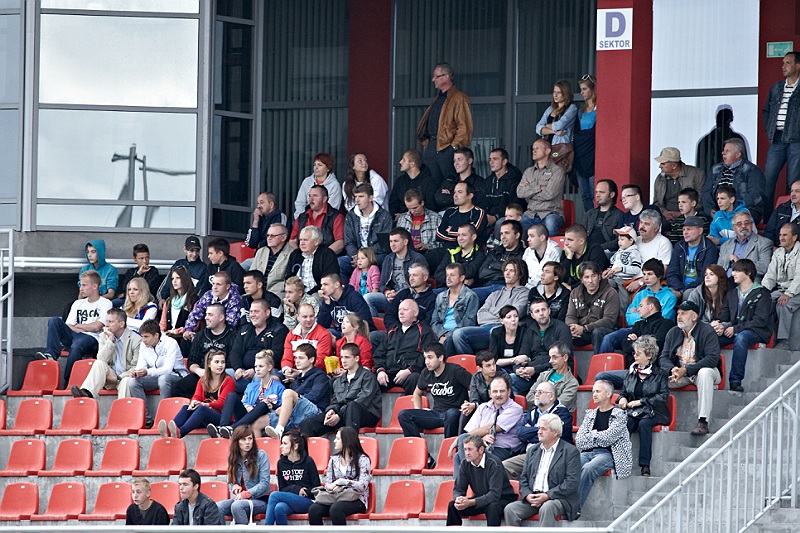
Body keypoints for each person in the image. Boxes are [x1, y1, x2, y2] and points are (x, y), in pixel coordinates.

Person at [503, 413, 581, 527]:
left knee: (547, 507)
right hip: (534, 497)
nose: (539, 432)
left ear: (555, 432)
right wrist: (527, 495)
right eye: (539, 428)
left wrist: (548, 495)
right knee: (510, 509)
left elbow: (571, 482)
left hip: (558, 499)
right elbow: (524, 478)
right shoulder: (532, 451)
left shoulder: (570, 452)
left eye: (543, 429)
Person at [37, 270, 112, 387]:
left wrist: (79, 326)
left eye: (84, 285)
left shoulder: (105, 303)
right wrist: (86, 327)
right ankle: (51, 354)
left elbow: (97, 327)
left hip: (92, 339)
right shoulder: (78, 303)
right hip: (75, 335)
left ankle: (69, 382)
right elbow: (69, 325)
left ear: (95, 286)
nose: (81, 289)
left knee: (77, 345)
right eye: (80, 285)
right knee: (54, 321)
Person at [659, 301, 722, 436]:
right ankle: (655, 415)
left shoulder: (707, 331)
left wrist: (687, 370)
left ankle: (703, 421)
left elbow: (712, 359)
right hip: (681, 373)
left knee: (705, 373)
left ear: (694, 316)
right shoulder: (673, 332)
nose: (679, 316)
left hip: (704, 371)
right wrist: (672, 369)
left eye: (683, 313)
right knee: (656, 377)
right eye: (678, 313)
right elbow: (663, 358)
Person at [399, 342, 472, 456]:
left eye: (430, 357)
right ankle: (423, 456)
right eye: (425, 358)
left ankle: (449, 453)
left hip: (455, 412)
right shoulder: (426, 373)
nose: (426, 362)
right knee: (403, 415)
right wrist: (419, 410)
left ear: (441, 357)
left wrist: (470, 404)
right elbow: (417, 393)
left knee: (451, 414)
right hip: (436, 414)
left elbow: (474, 385)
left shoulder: (455, 370)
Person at [712, 259, 772, 393]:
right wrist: (720, 325)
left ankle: (735, 381)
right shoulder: (732, 293)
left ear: (748, 273)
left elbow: (760, 321)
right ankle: (713, 375)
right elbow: (725, 316)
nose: (733, 273)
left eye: (737, 271)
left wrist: (735, 329)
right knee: (711, 337)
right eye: (733, 270)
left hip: (756, 331)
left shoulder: (762, 293)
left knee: (741, 338)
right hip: (735, 329)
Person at [299, 343, 381, 436]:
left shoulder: (367, 376)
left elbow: (362, 401)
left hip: (366, 415)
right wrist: (332, 411)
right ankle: (304, 445)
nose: (343, 361)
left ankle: (350, 444)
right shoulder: (338, 380)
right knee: (309, 424)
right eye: (341, 357)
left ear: (356, 358)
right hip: (342, 414)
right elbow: (335, 402)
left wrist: (339, 415)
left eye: (347, 357)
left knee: (352, 406)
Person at [617, 336, 671, 477]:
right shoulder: (631, 373)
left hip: (655, 411)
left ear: (649, 355)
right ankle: (619, 461)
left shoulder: (660, 374)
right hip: (635, 411)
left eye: (638, 353)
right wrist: (622, 399)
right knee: (626, 423)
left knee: (644, 424)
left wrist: (641, 401)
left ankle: (645, 465)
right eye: (634, 352)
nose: (634, 355)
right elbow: (623, 392)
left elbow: (663, 397)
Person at [574, 381, 632, 510]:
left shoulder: (619, 415)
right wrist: (598, 436)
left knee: (588, 469)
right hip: (588, 452)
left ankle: (574, 508)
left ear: (608, 394)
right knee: (570, 466)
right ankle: (561, 503)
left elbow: (608, 439)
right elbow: (580, 440)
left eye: (598, 391)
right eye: (593, 391)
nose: (594, 394)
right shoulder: (590, 414)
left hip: (609, 454)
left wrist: (592, 435)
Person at [595, 296, 676, 390]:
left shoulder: (666, 324)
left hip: (652, 373)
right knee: (601, 377)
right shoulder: (638, 324)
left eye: (641, 306)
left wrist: (636, 340)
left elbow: (655, 346)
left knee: (602, 377)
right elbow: (625, 345)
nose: (638, 309)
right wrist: (643, 342)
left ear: (651, 307)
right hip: (632, 372)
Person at [451, 374, 524, 475]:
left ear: (509, 392)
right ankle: (465, 482)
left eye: (502, 391)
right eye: (495, 391)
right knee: (457, 456)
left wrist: (461, 438)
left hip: (503, 449)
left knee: (464, 442)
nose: (498, 394)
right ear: (490, 393)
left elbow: (492, 428)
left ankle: (470, 477)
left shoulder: (516, 409)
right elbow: (471, 433)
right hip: (483, 446)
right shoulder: (482, 408)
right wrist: (480, 438)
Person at [453, 258, 529, 355]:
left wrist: (492, 310)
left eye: (511, 270)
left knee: (460, 334)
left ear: (520, 274)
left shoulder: (524, 293)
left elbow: (513, 315)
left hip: (503, 329)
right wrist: (502, 315)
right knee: (453, 335)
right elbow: (480, 316)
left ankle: (473, 363)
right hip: (485, 327)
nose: (507, 273)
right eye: (506, 270)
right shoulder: (495, 294)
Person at [502, 382, 574, 481]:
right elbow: (521, 434)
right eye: (535, 392)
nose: (536, 395)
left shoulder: (562, 413)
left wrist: (530, 432)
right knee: (504, 467)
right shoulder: (532, 413)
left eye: (540, 392)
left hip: (552, 455)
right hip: (529, 455)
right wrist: (544, 429)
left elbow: (553, 436)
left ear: (551, 396)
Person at [415, 62, 473, 185]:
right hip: (433, 146)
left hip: (446, 147)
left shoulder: (459, 97)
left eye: (436, 76)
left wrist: (453, 148)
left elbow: (465, 127)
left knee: (450, 184)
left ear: (446, 77)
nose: (433, 80)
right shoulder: (437, 99)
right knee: (431, 184)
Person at [121, 319, 187, 424]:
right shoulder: (143, 345)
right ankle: (147, 420)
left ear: (156, 335)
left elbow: (168, 369)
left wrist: (147, 372)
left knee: (163, 379)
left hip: (176, 376)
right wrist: (136, 372)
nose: (143, 340)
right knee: (133, 382)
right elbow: (141, 365)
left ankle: (167, 417)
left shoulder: (170, 343)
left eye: (146, 337)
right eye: (142, 336)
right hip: (156, 377)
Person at [210, 349, 284, 438]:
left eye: (261, 366)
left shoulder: (279, 387)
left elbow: (282, 409)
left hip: (264, 419)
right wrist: (247, 406)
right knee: (231, 396)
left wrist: (272, 408)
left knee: (263, 404)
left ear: (269, 367)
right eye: (256, 366)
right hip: (247, 417)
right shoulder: (251, 386)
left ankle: (232, 429)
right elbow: (244, 402)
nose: (257, 369)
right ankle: (222, 428)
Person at [160, 349, 234, 438]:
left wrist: (205, 404)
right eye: (217, 362)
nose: (220, 365)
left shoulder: (229, 381)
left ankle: (180, 432)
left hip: (221, 418)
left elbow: (222, 403)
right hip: (204, 417)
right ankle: (169, 432)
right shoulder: (203, 379)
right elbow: (197, 396)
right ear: (209, 364)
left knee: (202, 409)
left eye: (223, 362)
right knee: (187, 407)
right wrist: (193, 403)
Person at [446, 434, 517, 527]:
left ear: (481, 450)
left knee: (493, 507)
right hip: (481, 498)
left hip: (502, 498)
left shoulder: (494, 463)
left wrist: (470, 502)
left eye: (470, 449)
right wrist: (458, 499)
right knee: (453, 506)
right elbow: (458, 489)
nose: (466, 453)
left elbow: (494, 495)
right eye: (465, 449)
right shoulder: (465, 463)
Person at [264, 344, 331, 439]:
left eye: (301, 358)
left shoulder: (320, 376)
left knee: (288, 393)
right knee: (259, 421)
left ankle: (279, 430)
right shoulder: (297, 378)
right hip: (295, 414)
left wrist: (291, 404)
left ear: (311, 359)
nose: (297, 361)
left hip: (314, 413)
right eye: (295, 357)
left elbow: (314, 396)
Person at [71, 308, 141, 399]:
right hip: (110, 377)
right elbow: (101, 359)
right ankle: (87, 393)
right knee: (99, 363)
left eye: (110, 322)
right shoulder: (104, 336)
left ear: (121, 324)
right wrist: (110, 341)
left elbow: (136, 366)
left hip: (126, 377)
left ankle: (122, 407)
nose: (106, 324)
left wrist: (119, 378)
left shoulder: (136, 340)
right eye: (106, 321)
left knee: (126, 381)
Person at [308, 427, 372, 525]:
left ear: (346, 441)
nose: (334, 441)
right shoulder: (334, 459)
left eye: (337, 439)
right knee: (314, 509)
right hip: (335, 496)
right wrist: (331, 487)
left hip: (356, 499)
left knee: (336, 509)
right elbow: (328, 483)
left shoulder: (363, 459)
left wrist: (341, 482)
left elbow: (363, 486)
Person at [762, 51, 800, 218]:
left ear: (798, 66)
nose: (783, 66)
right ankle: (767, 218)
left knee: (793, 181)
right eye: (783, 62)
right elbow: (766, 111)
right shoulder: (777, 88)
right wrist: (769, 129)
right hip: (777, 139)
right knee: (768, 180)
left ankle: (791, 217)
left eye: (787, 63)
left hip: (796, 140)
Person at [175, 304, 237, 399]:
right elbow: (192, 360)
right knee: (177, 388)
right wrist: (198, 370)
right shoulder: (200, 335)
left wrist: (213, 371)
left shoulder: (233, 335)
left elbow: (232, 361)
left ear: (221, 317)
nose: (206, 318)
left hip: (222, 374)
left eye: (210, 315)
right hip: (202, 373)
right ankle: (196, 404)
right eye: (206, 314)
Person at [373, 299, 433, 395]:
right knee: (369, 378)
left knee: (414, 378)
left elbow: (426, 355)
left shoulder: (425, 331)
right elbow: (379, 353)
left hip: (410, 372)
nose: (401, 312)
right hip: (389, 372)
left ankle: (409, 404)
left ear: (415, 313)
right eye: (399, 310)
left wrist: (409, 370)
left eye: (405, 309)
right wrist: (380, 370)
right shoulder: (392, 330)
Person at [513, 300, 572, 395]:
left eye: (543, 309)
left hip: (553, 371)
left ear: (549, 311)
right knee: (510, 380)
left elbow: (562, 360)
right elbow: (522, 356)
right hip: (531, 375)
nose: (541, 313)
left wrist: (535, 369)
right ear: (532, 315)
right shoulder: (529, 331)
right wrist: (518, 369)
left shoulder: (562, 328)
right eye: (537, 311)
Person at [365, 227, 427, 317]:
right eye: (390, 241)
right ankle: (373, 325)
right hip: (392, 296)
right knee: (368, 298)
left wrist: (401, 295)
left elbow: (422, 283)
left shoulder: (417, 258)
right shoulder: (388, 259)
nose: (392, 245)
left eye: (396, 241)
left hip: (411, 297)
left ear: (405, 242)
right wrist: (387, 293)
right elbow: (382, 283)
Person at [216, 425, 271, 524]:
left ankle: (243, 530)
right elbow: (230, 481)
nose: (247, 442)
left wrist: (247, 493)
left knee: (237, 506)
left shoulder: (261, 455)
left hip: (260, 500)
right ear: (237, 441)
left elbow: (264, 483)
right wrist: (234, 486)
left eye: (250, 439)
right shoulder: (232, 457)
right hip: (241, 499)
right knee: (217, 507)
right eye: (243, 439)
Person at [265, 429, 321, 525]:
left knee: (274, 495)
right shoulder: (281, 463)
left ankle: (266, 528)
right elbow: (282, 488)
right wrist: (296, 489)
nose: (281, 446)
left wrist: (305, 492)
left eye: (285, 443)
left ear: (295, 446)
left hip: (308, 501)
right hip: (289, 500)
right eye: (281, 443)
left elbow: (317, 488)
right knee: (279, 508)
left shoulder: (308, 461)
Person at [703, 138, 766, 223]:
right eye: (723, 150)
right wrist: (710, 210)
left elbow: (755, 195)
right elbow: (706, 192)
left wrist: (734, 210)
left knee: (740, 220)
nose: (723, 153)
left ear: (737, 154)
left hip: (745, 209)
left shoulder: (752, 170)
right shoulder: (715, 169)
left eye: (727, 151)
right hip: (719, 210)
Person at [340, 182, 393, 278]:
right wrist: (357, 256)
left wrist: (366, 256)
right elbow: (349, 242)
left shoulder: (384, 216)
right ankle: (348, 287)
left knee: (385, 260)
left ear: (370, 198)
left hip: (376, 255)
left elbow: (384, 244)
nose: (357, 200)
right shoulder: (351, 216)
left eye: (361, 196)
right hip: (355, 255)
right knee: (339, 263)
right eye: (355, 197)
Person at [565, 261, 620, 352]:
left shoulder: (610, 293)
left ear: (599, 276)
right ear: (582, 280)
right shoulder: (575, 292)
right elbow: (571, 315)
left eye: (593, 276)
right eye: (586, 277)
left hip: (604, 331)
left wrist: (585, 328)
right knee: (561, 332)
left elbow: (609, 320)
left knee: (597, 332)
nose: (590, 281)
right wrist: (573, 327)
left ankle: (598, 360)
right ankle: (566, 361)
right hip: (582, 331)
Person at [231, 300, 288, 386]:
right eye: (251, 312)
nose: (252, 315)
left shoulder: (279, 330)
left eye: (256, 311)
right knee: (223, 374)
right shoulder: (244, 329)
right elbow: (235, 352)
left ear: (267, 313)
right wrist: (238, 368)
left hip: (268, 370)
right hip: (243, 372)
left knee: (261, 375)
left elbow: (276, 355)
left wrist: (256, 369)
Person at [517, 139, 566, 236]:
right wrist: (539, 187)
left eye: (537, 148)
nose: (534, 151)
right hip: (531, 214)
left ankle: (550, 246)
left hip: (551, 213)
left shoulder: (557, 171)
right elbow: (520, 193)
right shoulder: (528, 171)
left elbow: (550, 194)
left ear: (547, 151)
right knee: (518, 226)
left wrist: (530, 191)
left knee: (550, 223)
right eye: (533, 149)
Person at [430, 262, 479, 356]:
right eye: (447, 275)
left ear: (462, 278)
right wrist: (442, 335)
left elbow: (468, 323)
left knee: (448, 342)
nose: (448, 278)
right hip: (440, 334)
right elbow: (434, 321)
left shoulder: (470, 296)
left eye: (452, 275)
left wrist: (447, 336)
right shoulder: (440, 296)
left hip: (457, 335)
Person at [762, 223, 800, 342]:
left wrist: (788, 294)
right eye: (780, 235)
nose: (781, 238)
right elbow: (770, 275)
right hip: (781, 290)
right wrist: (762, 291)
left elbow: (799, 278)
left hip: (796, 291)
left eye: (785, 235)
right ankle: (764, 336)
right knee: (763, 301)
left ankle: (783, 340)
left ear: (794, 237)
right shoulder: (778, 252)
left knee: (783, 305)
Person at [666, 216, 720, 299]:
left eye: (689, 229)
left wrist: (683, 291)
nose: (685, 232)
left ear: (700, 231)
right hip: (678, 288)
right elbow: (671, 273)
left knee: (687, 294)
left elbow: (705, 276)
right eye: (684, 230)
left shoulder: (709, 248)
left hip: (700, 288)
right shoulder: (679, 246)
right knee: (663, 294)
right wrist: (679, 288)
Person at [474, 220, 525, 301]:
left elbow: (519, 275)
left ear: (517, 235)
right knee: (466, 295)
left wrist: (493, 266)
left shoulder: (523, 254)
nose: (503, 237)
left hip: (507, 289)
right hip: (487, 287)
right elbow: (482, 274)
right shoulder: (494, 252)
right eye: (501, 233)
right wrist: (503, 271)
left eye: (507, 233)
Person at [183, 271, 243, 341]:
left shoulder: (236, 299)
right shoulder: (209, 295)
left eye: (218, 284)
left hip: (227, 336)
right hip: (209, 331)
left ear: (227, 286)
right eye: (213, 284)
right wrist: (188, 329)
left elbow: (231, 324)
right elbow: (195, 313)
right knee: (185, 340)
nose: (214, 287)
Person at [716, 210, 773, 282]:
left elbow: (763, 268)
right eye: (739, 224)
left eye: (747, 223)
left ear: (752, 225)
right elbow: (719, 269)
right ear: (734, 228)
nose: (743, 226)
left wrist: (740, 263)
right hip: (725, 283)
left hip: (748, 284)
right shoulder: (725, 245)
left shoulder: (764, 243)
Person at [475, 148, 523, 229]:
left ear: (504, 161)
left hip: (508, 216)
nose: (491, 162)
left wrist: (496, 217)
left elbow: (514, 204)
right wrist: (486, 215)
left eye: (495, 159)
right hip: (489, 215)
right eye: (490, 159)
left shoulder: (515, 180)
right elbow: (481, 202)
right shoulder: (487, 181)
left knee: (499, 224)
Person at [652, 147, 706, 219]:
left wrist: (680, 213)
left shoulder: (697, 174)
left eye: (663, 163)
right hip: (664, 218)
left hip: (690, 218)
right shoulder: (660, 178)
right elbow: (656, 202)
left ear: (674, 165)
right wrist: (664, 213)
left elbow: (701, 200)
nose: (660, 166)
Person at [281, 302, 333, 376]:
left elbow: (321, 361)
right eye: (305, 317)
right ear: (297, 317)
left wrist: (300, 373)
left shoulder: (324, 334)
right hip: (293, 372)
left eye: (311, 316)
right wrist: (287, 370)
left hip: (316, 374)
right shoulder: (291, 335)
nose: (308, 319)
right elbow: (287, 358)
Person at [435, 181, 490, 252]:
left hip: (470, 252)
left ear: (470, 195)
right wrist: (462, 236)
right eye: (454, 192)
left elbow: (473, 234)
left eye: (460, 192)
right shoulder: (449, 211)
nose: (455, 195)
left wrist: (450, 231)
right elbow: (438, 235)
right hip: (447, 250)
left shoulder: (479, 212)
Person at [285, 226, 340, 297]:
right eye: (300, 240)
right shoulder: (295, 254)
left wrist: (307, 295)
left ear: (316, 241)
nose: (302, 243)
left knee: (314, 298)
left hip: (318, 292)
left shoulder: (327, 254)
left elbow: (328, 280)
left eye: (305, 240)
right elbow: (289, 277)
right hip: (297, 293)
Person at [290, 184, 345, 254]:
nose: (311, 199)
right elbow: (292, 241)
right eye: (309, 196)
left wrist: (321, 256)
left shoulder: (336, 216)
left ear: (324, 199)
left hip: (326, 257)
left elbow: (340, 243)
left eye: (315, 196)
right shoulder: (302, 217)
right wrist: (300, 254)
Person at [382, 262, 436, 331]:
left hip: (418, 335)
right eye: (410, 275)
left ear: (425, 277)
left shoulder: (432, 299)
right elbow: (389, 316)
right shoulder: (402, 294)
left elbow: (428, 322)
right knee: (375, 335)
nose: (411, 278)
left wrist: (409, 333)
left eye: (415, 275)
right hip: (396, 332)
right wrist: (397, 331)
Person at [317, 273, 374, 338]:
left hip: (360, 334)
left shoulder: (354, 297)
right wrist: (327, 303)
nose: (322, 288)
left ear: (336, 284)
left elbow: (363, 322)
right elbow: (322, 326)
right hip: (341, 334)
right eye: (322, 285)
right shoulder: (328, 299)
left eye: (325, 284)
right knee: (326, 333)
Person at [460, 351, 508, 425]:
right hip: (481, 409)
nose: (493, 368)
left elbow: (504, 400)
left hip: (501, 409)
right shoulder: (475, 378)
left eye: (494, 364)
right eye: (488, 366)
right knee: (466, 412)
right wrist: (470, 406)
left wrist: (475, 405)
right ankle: (463, 433)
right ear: (480, 368)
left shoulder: (504, 377)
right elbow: (474, 399)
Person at [432, 223, 486, 289]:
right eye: (458, 235)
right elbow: (438, 274)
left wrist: (449, 277)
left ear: (473, 237)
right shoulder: (452, 251)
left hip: (467, 290)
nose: (460, 238)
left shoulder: (479, 255)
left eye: (464, 235)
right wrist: (461, 281)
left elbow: (469, 272)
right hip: (446, 288)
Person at [529, 342, 579, 413]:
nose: (550, 361)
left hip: (557, 417)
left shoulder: (572, 383)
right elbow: (529, 397)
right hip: (537, 414)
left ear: (565, 357)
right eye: (550, 357)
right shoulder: (543, 375)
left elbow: (560, 404)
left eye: (554, 357)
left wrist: (540, 401)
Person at [157, 236, 210, 301]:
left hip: (191, 303)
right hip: (173, 301)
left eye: (197, 250)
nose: (194, 254)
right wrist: (162, 298)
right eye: (191, 250)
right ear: (185, 249)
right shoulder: (178, 264)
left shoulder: (203, 268)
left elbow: (200, 291)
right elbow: (167, 284)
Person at [388, 149, 437, 218]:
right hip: (400, 221)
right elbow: (393, 203)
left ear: (412, 163)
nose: (400, 162)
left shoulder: (429, 182)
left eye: (404, 160)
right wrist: (395, 215)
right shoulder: (400, 181)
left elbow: (431, 205)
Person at [159, 266, 198, 352]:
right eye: (172, 278)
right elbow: (162, 323)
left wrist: (176, 331)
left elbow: (195, 325)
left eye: (178, 278)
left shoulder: (193, 300)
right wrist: (161, 333)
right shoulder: (169, 301)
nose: (174, 281)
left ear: (184, 279)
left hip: (184, 338)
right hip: (168, 337)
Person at [293, 152, 342, 219]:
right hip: (304, 219)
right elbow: (300, 203)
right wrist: (302, 219)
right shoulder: (307, 181)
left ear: (328, 168)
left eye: (320, 165)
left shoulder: (334, 185)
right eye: (315, 165)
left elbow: (333, 208)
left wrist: (317, 220)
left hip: (325, 221)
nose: (316, 168)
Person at [574, 74, 597, 213]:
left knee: (596, 194)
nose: (581, 92)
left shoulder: (599, 109)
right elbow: (576, 133)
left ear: (592, 89)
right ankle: (589, 220)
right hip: (580, 157)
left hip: (593, 157)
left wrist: (584, 136)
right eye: (581, 89)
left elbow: (595, 133)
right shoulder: (580, 111)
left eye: (584, 89)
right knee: (585, 195)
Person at [535, 79, 578, 155]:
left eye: (559, 92)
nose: (555, 95)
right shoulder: (550, 109)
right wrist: (555, 132)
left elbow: (559, 125)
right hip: (546, 147)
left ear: (566, 93)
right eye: (554, 92)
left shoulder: (572, 108)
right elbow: (538, 128)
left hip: (560, 147)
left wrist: (547, 126)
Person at [603, 225, 643, 304]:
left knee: (623, 301)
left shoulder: (634, 252)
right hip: (613, 278)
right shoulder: (618, 252)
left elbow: (636, 269)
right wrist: (609, 271)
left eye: (622, 239)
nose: (619, 242)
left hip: (624, 280)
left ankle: (623, 312)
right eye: (618, 240)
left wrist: (621, 269)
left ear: (631, 240)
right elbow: (612, 264)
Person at [251, 222, 292, 297]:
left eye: (273, 236)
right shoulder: (261, 251)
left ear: (283, 237)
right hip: (258, 291)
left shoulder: (292, 254)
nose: (269, 238)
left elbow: (290, 280)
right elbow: (252, 274)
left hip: (278, 293)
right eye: (267, 235)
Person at [489, 305, 533, 374]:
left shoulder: (524, 332)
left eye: (516, 316)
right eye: (509, 317)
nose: (513, 319)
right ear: (501, 321)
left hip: (518, 369)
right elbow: (493, 360)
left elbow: (524, 357)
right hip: (499, 368)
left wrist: (524, 359)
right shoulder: (496, 333)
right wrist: (513, 360)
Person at [396, 187, 442, 253]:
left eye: (415, 208)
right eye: (409, 208)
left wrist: (427, 246)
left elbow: (442, 243)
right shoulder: (402, 218)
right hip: (407, 253)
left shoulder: (436, 218)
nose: (412, 211)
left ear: (422, 203)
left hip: (428, 254)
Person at [585, 179, 623, 252]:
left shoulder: (619, 215)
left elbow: (618, 241)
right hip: (587, 251)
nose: (597, 195)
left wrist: (598, 248)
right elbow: (581, 233)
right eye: (596, 192)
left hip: (606, 252)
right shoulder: (590, 213)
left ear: (612, 194)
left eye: (601, 192)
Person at [522, 224, 562, 288]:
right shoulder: (528, 251)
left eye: (532, 236)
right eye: (528, 236)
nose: (528, 239)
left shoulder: (554, 251)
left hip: (547, 289)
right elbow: (522, 272)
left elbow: (556, 276)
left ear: (542, 237)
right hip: (527, 288)